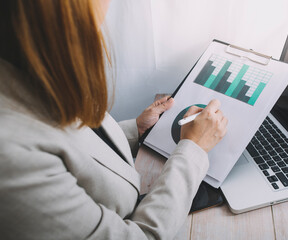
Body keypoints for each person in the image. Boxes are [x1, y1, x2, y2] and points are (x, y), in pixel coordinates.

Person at [0, 1, 228, 239]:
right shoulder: (13, 160)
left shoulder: (25, 67)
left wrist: (136, 129)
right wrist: (193, 150)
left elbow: (68, 142)